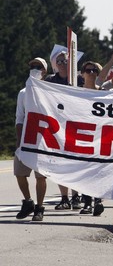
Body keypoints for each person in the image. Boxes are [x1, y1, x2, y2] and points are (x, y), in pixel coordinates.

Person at [44, 50, 81, 210]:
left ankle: (76, 195)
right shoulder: (51, 80)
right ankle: (64, 198)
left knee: (75, 164)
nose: (62, 64)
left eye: (65, 61)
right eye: (59, 62)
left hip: (76, 126)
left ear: (71, 62)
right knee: (60, 164)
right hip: (58, 127)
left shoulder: (79, 78)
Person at [14, 57, 48, 221]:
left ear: (44, 71)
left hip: (42, 140)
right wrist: (19, 141)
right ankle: (28, 202)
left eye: (38, 66)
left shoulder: (50, 93)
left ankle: (40, 208)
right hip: (26, 139)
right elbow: (19, 118)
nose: (34, 68)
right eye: (32, 66)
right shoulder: (23, 93)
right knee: (20, 174)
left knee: (40, 176)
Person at [78, 61, 105, 216]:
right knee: (85, 170)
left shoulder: (103, 92)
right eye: (88, 70)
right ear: (82, 73)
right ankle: (87, 202)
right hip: (82, 135)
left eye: (95, 70)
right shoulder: (75, 92)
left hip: (100, 135)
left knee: (98, 169)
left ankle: (98, 201)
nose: (91, 73)